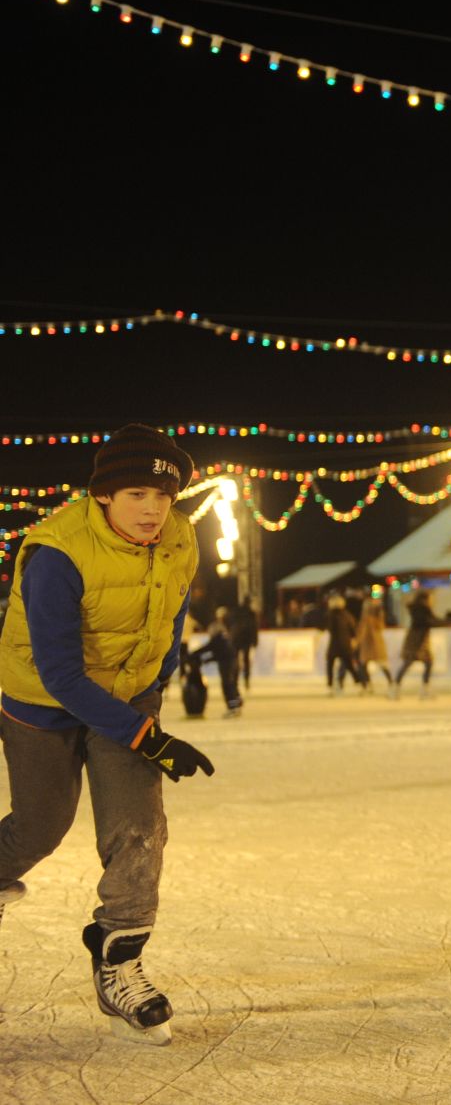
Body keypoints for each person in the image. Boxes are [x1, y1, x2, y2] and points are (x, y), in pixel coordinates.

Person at [0, 425, 215, 1045]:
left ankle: (118, 959)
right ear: (103, 496)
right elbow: (62, 673)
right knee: (42, 824)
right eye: (137, 494)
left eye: (164, 496)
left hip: (127, 693)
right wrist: (149, 739)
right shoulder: (56, 553)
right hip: (44, 700)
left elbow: (172, 616)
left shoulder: (179, 537)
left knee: (139, 828)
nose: (152, 509)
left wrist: (154, 691)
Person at [392, 589, 451, 699]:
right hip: (417, 640)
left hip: (418, 639)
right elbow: (432, 622)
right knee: (409, 662)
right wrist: (450, 622)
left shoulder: (421, 609)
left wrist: (449, 621)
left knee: (427, 662)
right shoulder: (422, 609)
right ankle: (396, 687)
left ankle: (422, 688)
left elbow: (433, 621)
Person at [357, 591, 393, 694]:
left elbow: (362, 631)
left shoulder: (367, 619)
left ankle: (367, 685)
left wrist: (358, 640)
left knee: (364, 665)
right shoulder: (377, 618)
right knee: (378, 664)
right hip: (376, 643)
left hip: (369, 644)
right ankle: (389, 683)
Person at [324, 594, 359, 696]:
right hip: (345, 644)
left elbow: (327, 628)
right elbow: (353, 630)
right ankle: (359, 684)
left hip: (334, 644)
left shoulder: (330, 615)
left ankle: (330, 686)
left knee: (330, 665)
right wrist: (353, 640)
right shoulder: (347, 615)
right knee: (349, 666)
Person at [229, 597, 257, 692]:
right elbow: (254, 627)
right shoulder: (250, 613)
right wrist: (255, 640)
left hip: (236, 639)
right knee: (246, 660)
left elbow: (230, 624)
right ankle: (246, 680)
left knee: (236, 659)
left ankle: (235, 680)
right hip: (246, 639)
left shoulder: (236, 611)